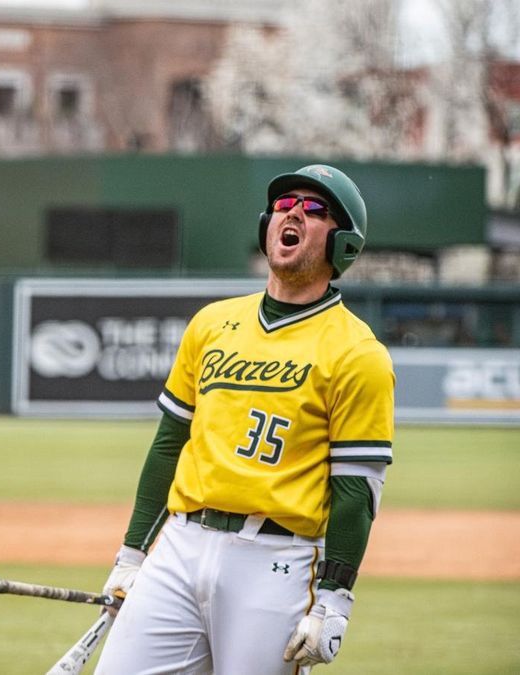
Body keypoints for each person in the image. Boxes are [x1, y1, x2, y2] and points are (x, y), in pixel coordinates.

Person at [95, 165, 395, 674]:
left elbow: (356, 490)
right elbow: (170, 444)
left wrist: (334, 599)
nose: (293, 213)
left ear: (342, 244)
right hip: (181, 545)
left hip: (276, 562)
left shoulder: (358, 353)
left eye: (314, 208)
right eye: (284, 204)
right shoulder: (212, 323)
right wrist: (132, 553)